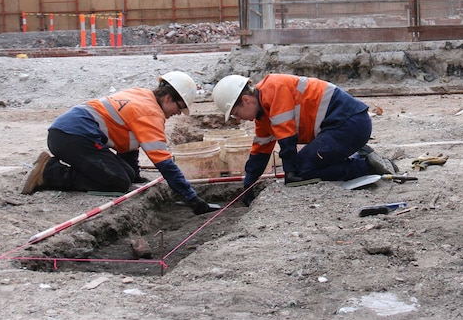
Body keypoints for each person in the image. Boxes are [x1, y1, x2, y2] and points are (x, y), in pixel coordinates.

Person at [21, 71, 216, 215]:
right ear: (167, 98)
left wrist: (136, 176)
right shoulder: (150, 114)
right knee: (118, 182)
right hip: (74, 137)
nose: (178, 113)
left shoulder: (142, 95)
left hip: (69, 134)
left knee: (128, 176)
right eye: (180, 107)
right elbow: (165, 164)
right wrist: (192, 199)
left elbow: (128, 142)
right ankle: (50, 173)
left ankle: (63, 168)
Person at [211, 73, 398, 194]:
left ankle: (366, 166)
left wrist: (291, 171)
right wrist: (248, 183)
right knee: (301, 167)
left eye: (235, 113)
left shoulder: (274, 89)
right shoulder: (262, 115)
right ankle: (362, 155)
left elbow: (287, 138)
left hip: (350, 125)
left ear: (246, 100)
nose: (237, 119)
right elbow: (260, 151)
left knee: (303, 169)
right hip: (343, 127)